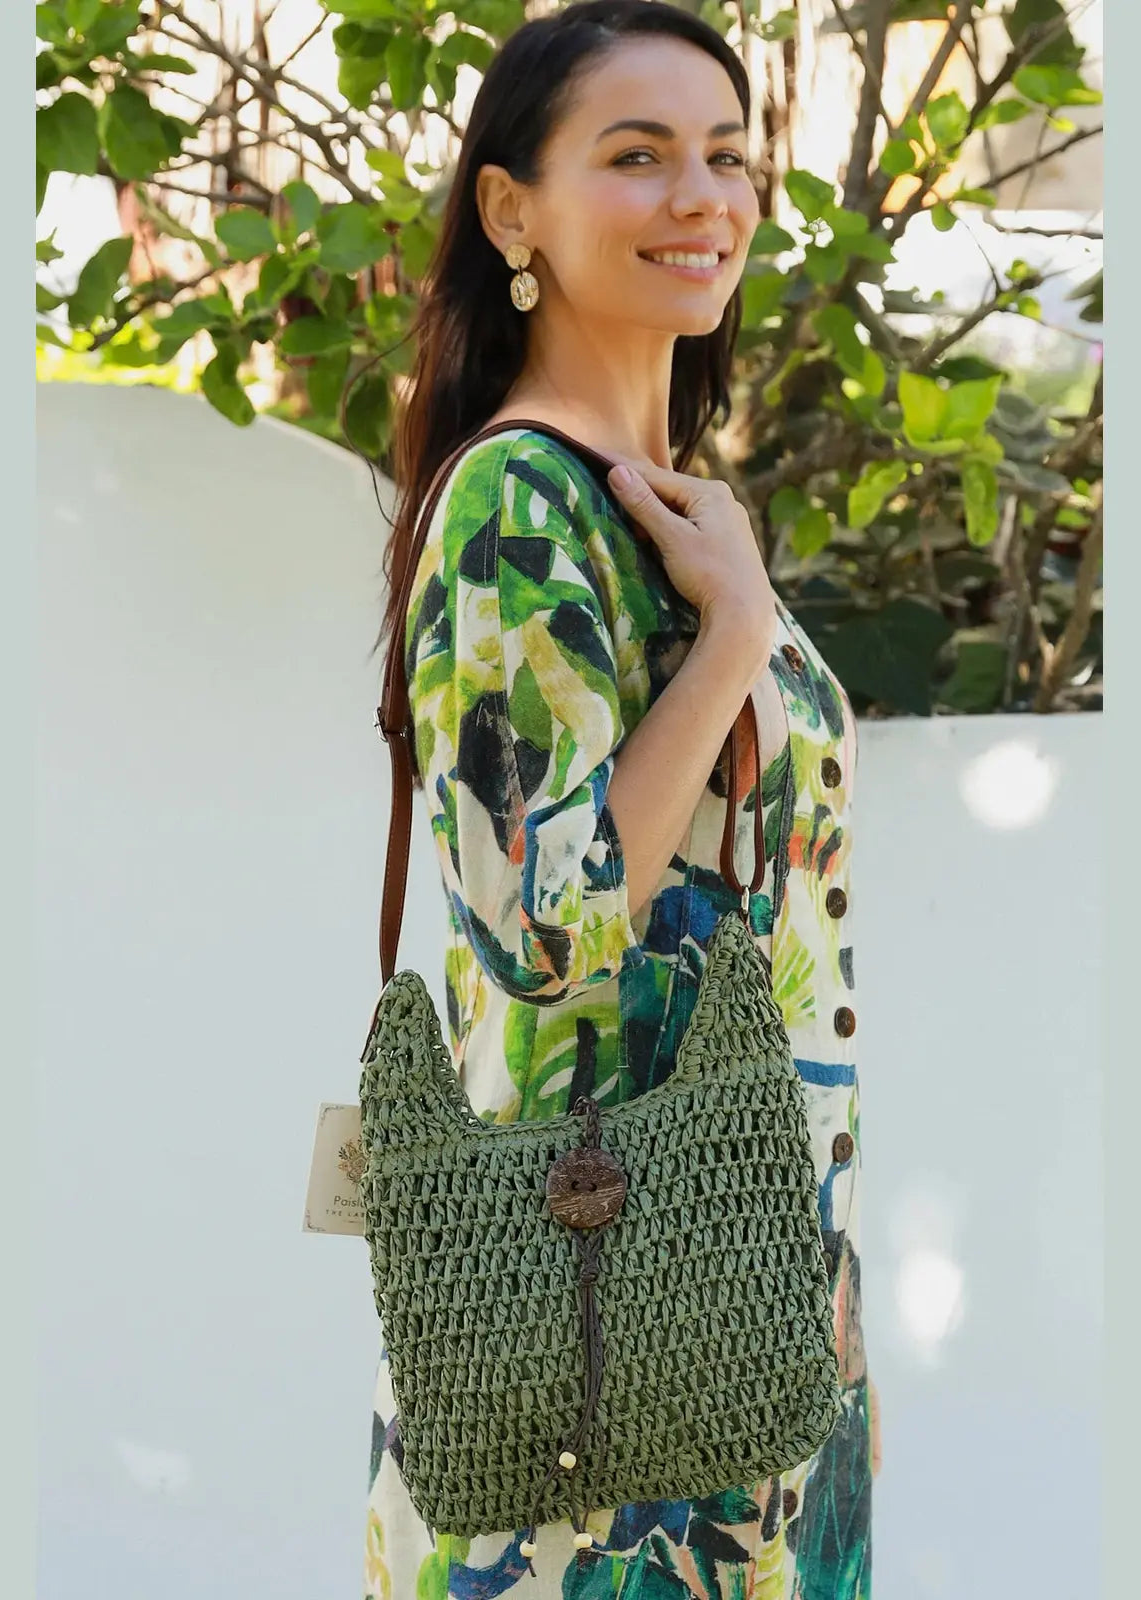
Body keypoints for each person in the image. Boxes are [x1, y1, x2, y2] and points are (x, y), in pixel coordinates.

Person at [361, 4, 878, 1595]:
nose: (703, 198)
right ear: (513, 210)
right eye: (637, 156)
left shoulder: (663, 500)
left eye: (727, 156)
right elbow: (550, 926)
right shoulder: (526, 503)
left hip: (746, 1270)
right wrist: (732, 633)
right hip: (609, 1313)